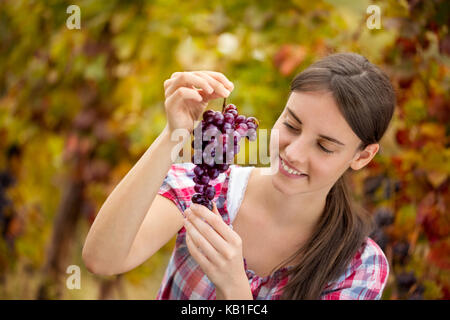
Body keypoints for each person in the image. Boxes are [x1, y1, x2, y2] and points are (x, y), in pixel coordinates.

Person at [82, 53, 395, 300]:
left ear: (362, 156)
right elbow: (103, 259)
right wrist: (172, 134)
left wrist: (233, 289)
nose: (294, 153)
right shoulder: (207, 187)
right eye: (292, 125)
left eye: (325, 146)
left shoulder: (359, 266)